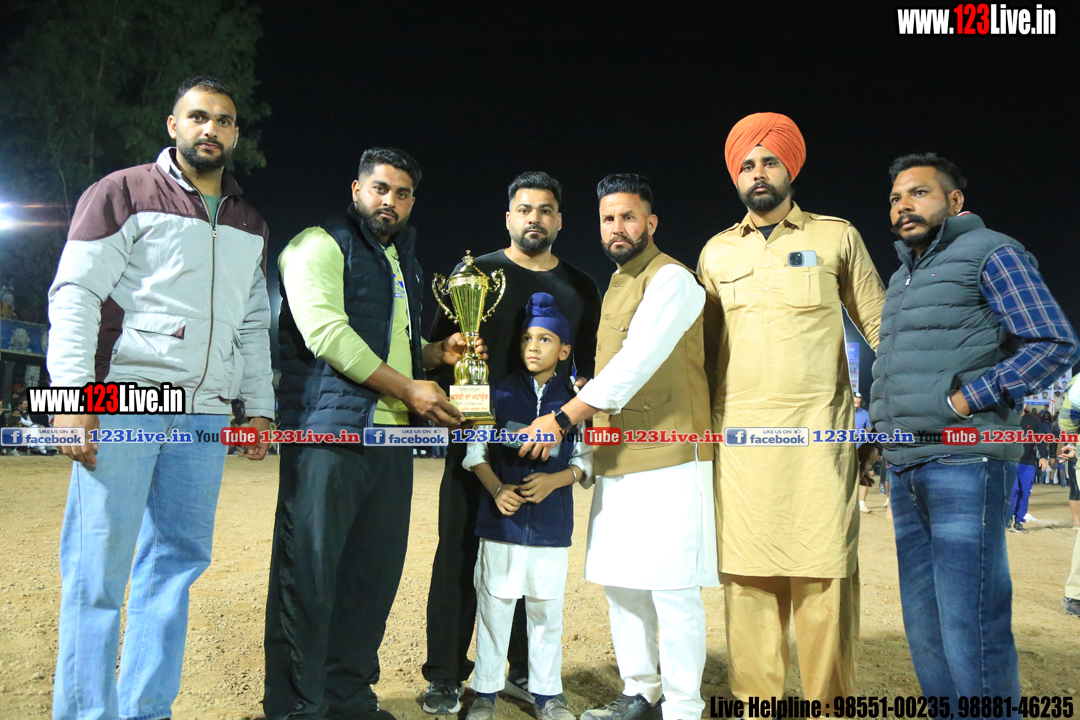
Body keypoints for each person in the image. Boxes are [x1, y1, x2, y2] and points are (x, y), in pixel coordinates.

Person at [46, 75, 275, 720]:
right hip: (128, 402)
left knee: (175, 568)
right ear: (173, 126)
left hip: (205, 415)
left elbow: (254, 322)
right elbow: (76, 294)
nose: (211, 128)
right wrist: (70, 397)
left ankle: (147, 711)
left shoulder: (251, 222)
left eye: (223, 120)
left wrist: (258, 407)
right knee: (98, 573)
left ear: (236, 134)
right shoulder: (122, 192)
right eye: (198, 116)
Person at [267, 147, 476, 720]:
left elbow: (394, 346)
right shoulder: (318, 243)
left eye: (402, 193)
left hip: (389, 441)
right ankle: (300, 707)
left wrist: (434, 354)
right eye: (380, 188)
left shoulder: (401, 260)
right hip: (327, 437)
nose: (391, 201)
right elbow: (327, 333)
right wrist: (408, 388)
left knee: (371, 578)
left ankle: (350, 698)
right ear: (357, 189)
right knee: (308, 577)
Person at [870, 152, 1080, 701]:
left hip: (965, 459)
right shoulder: (904, 277)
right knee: (926, 626)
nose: (903, 205)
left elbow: (1054, 342)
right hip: (906, 465)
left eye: (919, 193)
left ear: (954, 200)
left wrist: (968, 400)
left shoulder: (992, 251)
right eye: (895, 198)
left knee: (971, 626)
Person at [697, 112, 885, 701]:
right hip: (740, 447)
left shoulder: (837, 237)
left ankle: (831, 708)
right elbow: (700, 356)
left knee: (824, 580)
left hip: (819, 443)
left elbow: (881, 326)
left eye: (769, 161)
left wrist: (888, 414)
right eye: (747, 165)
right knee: (746, 583)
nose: (758, 173)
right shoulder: (716, 253)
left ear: (790, 168)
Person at [518, 174, 717, 720]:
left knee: (673, 590)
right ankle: (641, 690)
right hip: (617, 456)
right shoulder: (618, 284)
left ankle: (683, 706)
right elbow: (612, 373)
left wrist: (563, 417)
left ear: (651, 223)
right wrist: (588, 399)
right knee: (622, 583)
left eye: (629, 217)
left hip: (671, 457)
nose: (617, 228)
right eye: (608, 219)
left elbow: (636, 363)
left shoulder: (672, 279)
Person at [422, 171, 601, 714]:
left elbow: (587, 369)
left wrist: (571, 418)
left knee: (532, 564)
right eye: (525, 209)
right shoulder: (474, 274)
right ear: (508, 217)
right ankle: (446, 675)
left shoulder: (580, 287)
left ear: (559, 220)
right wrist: (448, 361)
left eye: (545, 210)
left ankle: (523, 673)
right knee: (457, 556)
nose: (534, 218)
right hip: (476, 441)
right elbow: (434, 352)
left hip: (544, 445)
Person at [464, 293, 590, 720]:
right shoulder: (497, 391)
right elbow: (474, 453)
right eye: (526, 338)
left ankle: (547, 693)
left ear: (564, 350)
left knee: (546, 613)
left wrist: (555, 480)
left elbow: (586, 462)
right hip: (500, 526)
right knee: (494, 609)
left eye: (545, 339)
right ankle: (485, 691)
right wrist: (498, 488)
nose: (533, 347)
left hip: (551, 528)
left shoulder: (576, 403)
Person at [1008, 408, 1047, 532]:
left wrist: (1044, 457)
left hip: (1028, 463)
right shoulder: (1005, 419)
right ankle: (1007, 517)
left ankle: (1019, 521)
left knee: (1025, 493)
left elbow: (1040, 439)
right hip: (1009, 461)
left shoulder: (1033, 420)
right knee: (1013, 490)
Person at [854, 392, 878, 514]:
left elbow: (869, 429)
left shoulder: (864, 413)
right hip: (846, 450)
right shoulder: (843, 411)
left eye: (858, 403)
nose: (856, 405)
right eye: (854, 402)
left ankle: (862, 504)